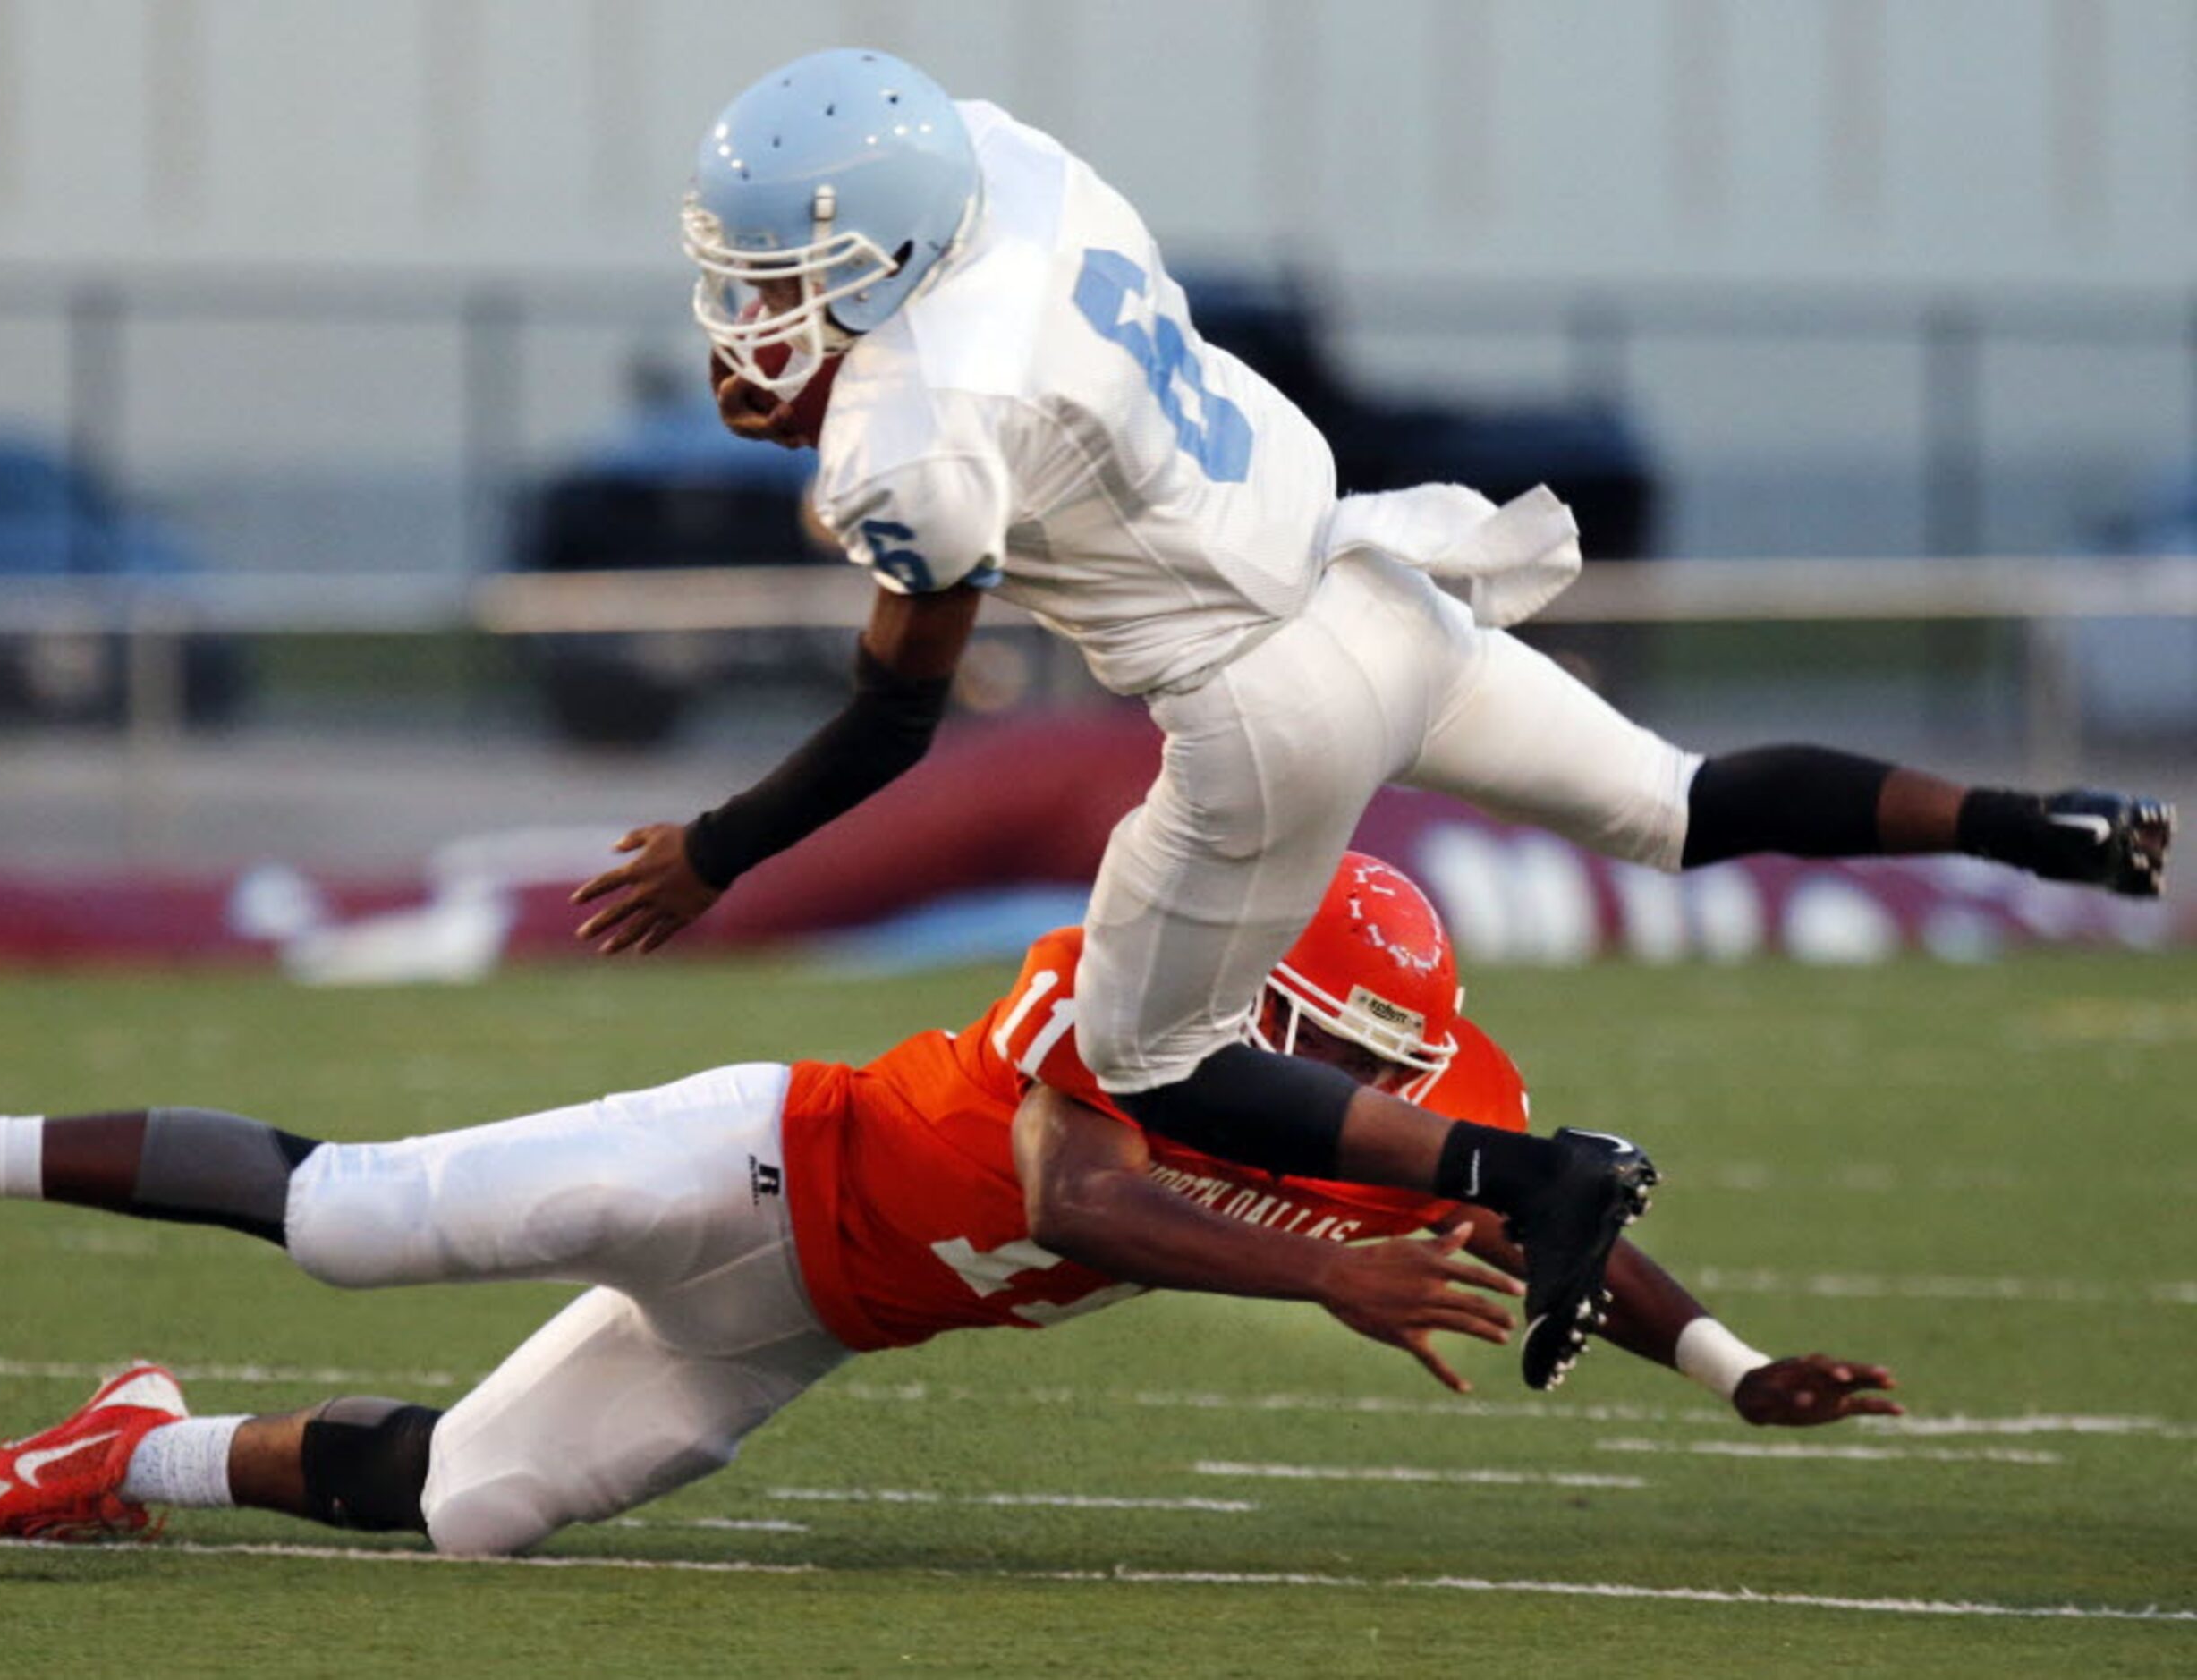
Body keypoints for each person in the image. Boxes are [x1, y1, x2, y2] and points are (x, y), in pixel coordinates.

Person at [571, 47, 2175, 1309]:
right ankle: (2047, 823)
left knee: (1149, 1064)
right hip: (1379, 582)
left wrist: (714, 850)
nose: (756, 313)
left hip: (1266, 697)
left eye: (791, 275)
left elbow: (896, 712)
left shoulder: (910, 441)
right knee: (1675, 803)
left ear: (888, 249)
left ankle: (1532, 1177)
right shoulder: (1009, 170)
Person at [0, 854, 1897, 1555]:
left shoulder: (1417, 1092)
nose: (1362, 1102)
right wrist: (1299, 1278)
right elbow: (1092, 1192)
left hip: (820, 1319)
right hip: (761, 1161)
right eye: (1330, 1053)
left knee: (477, 1507)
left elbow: (1543, 1220)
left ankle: (133, 1447)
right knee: (359, 1220)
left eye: (1382, 1072)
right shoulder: (1133, 981)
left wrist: (1717, 1366)